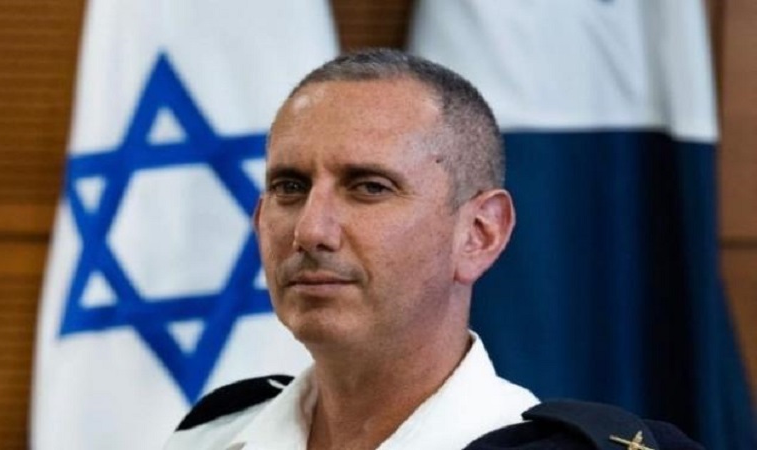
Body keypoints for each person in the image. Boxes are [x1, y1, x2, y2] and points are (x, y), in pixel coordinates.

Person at [163, 49, 703, 450]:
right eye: (289, 187)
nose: (310, 230)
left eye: (369, 187)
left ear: (479, 234)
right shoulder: (207, 439)